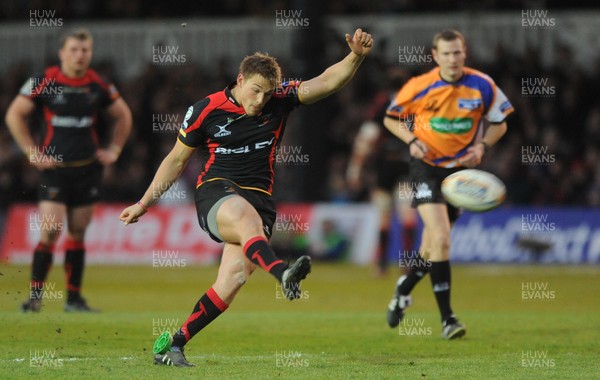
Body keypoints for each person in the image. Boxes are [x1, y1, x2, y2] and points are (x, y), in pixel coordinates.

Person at [119, 28, 373, 367]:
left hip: (261, 200)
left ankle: (173, 344)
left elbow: (326, 82)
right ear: (240, 80)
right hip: (216, 192)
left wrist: (355, 56)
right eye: (255, 91)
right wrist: (144, 203)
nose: (260, 100)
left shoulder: (281, 98)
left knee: (232, 280)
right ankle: (282, 272)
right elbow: (176, 160)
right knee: (243, 218)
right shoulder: (206, 109)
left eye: (267, 94)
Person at [382, 30, 513, 339]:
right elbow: (391, 118)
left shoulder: (483, 85)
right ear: (435, 56)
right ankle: (448, 319)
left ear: (464, 54)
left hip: (459, 177)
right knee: (441, 239)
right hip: (426, 167)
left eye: (457, 53)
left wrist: (481, 147)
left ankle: (404, 287)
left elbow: (501, 123)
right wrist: (412, 140)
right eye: (447, 54)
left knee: (431, 246)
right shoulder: (420, 86)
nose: (453, 59)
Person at [5, 29, 132, 312]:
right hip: (55, 170)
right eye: (74, 49)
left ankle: (73, 300)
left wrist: (115, 149)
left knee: (77, 232)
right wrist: (31, 152)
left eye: (85, 50)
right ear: (62, 53)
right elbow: (14, 114)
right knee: (50, 231)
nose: (80, 55)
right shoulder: (45, 80)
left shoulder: (98, 84)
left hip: (88, 170)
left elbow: (123, 115)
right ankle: (35, 299)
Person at [347, 66, 418, 277]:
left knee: (384, 216)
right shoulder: (414, 103)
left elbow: (367, 136)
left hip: (384, 167)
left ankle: (381, 265)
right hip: (407, 164)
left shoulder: (382, 103)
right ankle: (406, 264)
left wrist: (355, 169)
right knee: (407, 214)